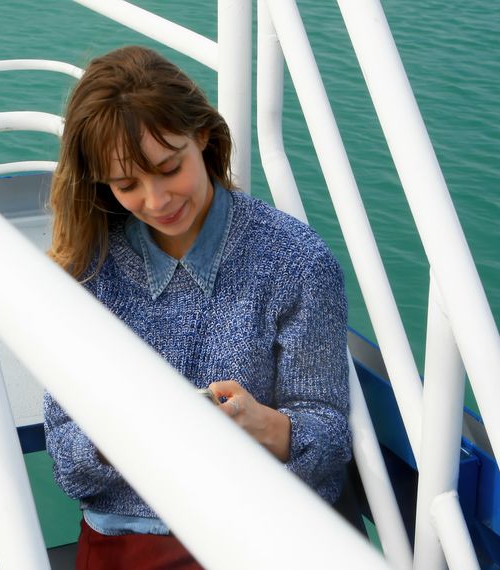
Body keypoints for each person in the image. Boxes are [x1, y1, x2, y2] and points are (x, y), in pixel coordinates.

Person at [43, 45, 351, 569]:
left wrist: (263, 425)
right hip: (129, 538)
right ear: (101, 183)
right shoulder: (85, 272)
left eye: (169, 168)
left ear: (203, 137)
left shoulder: (297, 261)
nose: (157, 200)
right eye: (127, 185)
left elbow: (329, 436)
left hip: (259, 527)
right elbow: (67, 461)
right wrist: (122, 435)